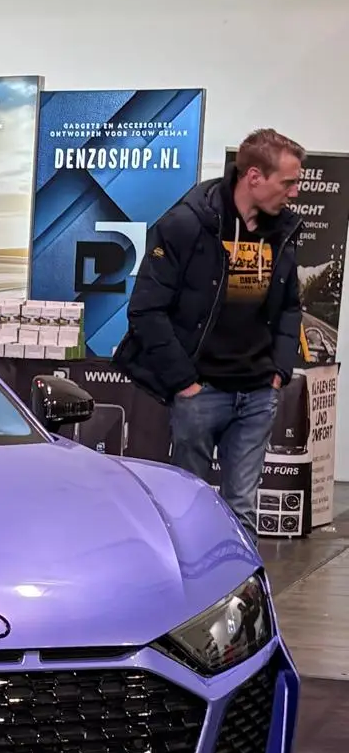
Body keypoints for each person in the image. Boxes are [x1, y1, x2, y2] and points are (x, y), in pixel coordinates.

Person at [115, 128, 304, 538]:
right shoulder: (186, 225)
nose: (294, 193)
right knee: (189, 509)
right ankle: (193, 581)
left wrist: (278, 371)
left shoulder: (284, 231)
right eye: (288, 183)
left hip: (258, 393)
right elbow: (146, 310)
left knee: (242, 511)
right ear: (254, 177)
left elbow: (290, 306)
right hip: (201, 393)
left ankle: (243, 582)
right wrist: (184, 383)